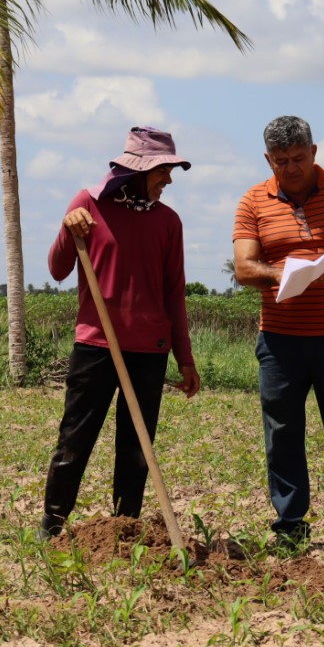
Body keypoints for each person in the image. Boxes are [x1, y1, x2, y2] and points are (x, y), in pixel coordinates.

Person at [41, 126, 201, 539]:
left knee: (136, 449)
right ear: (137, 171)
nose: (168, 179)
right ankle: (52, 526)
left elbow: (174, 294)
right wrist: (68, 228)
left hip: (150, 350)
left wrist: (184, 357)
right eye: (163, 171)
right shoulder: (88, 205)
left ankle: (123, 527)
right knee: (75, 439)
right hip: (96, 345)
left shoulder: (169, 223)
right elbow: (58, 269)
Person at [232, 115, 324, 546]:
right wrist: (283, 274)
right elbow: (244, 268)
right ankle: (290, 527)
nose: (292, 167)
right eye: (282, 161)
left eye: (299, 158)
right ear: (268, 160)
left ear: (314, 153)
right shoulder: (252, 202)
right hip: (279, 340)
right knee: (282, 434)